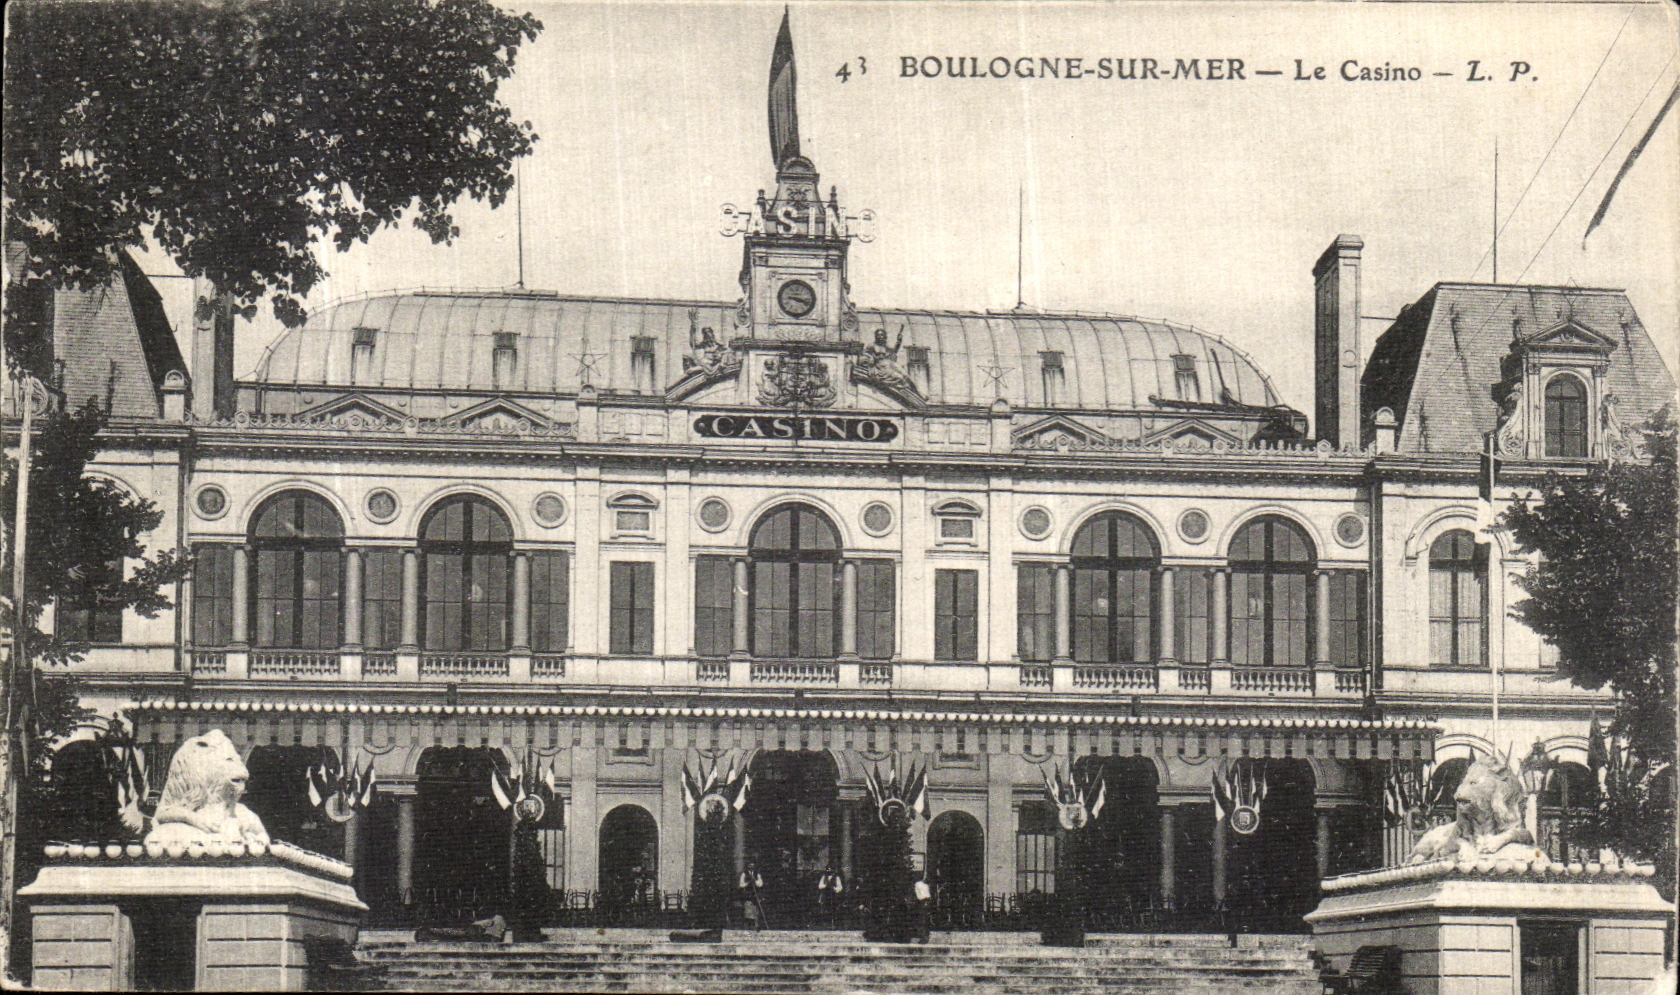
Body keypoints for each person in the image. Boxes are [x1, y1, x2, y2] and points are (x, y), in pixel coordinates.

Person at [738, 862, 766, 930]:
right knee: (747, 911)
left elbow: (760, 884)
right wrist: (748, 883)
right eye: (750, 865)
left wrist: (755, 881)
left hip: (755, 896)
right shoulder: (744, 874)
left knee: (756, 911)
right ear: (747, 866)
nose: (751, 867)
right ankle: (747, 927)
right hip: (748, 895)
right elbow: (741, 884)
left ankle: (756, 926)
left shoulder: (757, 874)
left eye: (753, 865)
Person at [911, 876, 932, 944]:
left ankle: (924, 937)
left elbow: (921, 896)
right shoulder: (921, 884)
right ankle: (924, 937)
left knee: (923, 921)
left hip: (923, 902)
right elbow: (924, 896)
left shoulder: (921, 884)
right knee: (923, 920)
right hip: (923, 902)